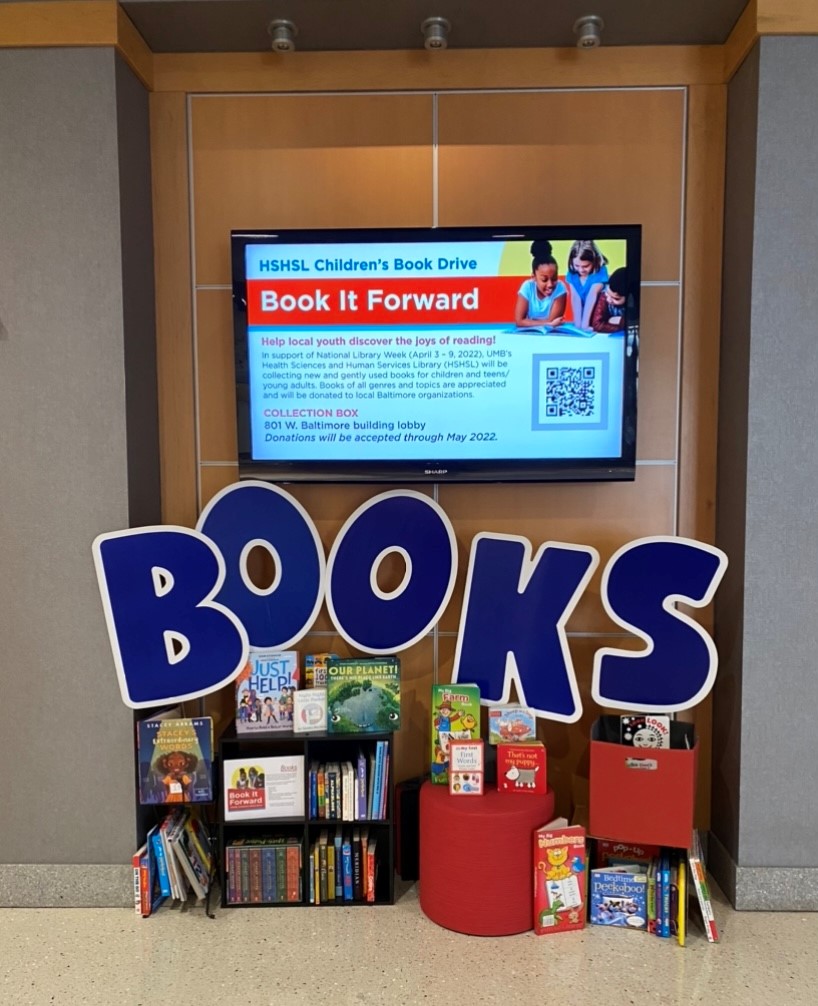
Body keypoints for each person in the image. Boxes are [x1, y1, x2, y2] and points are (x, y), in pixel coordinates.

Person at [514, 240, 568, 328]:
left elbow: (552, 323)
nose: (550, 284)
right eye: (544, 279)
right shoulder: (527, 287)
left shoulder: (560, 288)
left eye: (554, 279)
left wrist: (529, 322)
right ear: (533, 277)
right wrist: (548, 323)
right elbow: (519, 321)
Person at [565, 239, 609, 329]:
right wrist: (578, 327)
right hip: (583, 315)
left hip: (598, 316)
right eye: (577, 266)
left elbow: (592, 296)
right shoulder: (572, 274)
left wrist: (585, 325)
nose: (581, 270)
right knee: (578, 326)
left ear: (594, 261)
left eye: (585, 266)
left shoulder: (600, 271)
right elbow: (575, 298)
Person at [590, 267, 628, 333]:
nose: (609, 300)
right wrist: (622, 326)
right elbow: (597, 325)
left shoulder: (634, 303)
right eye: (608, 294)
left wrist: (620, 320)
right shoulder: (604, 297)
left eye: (616, 299)